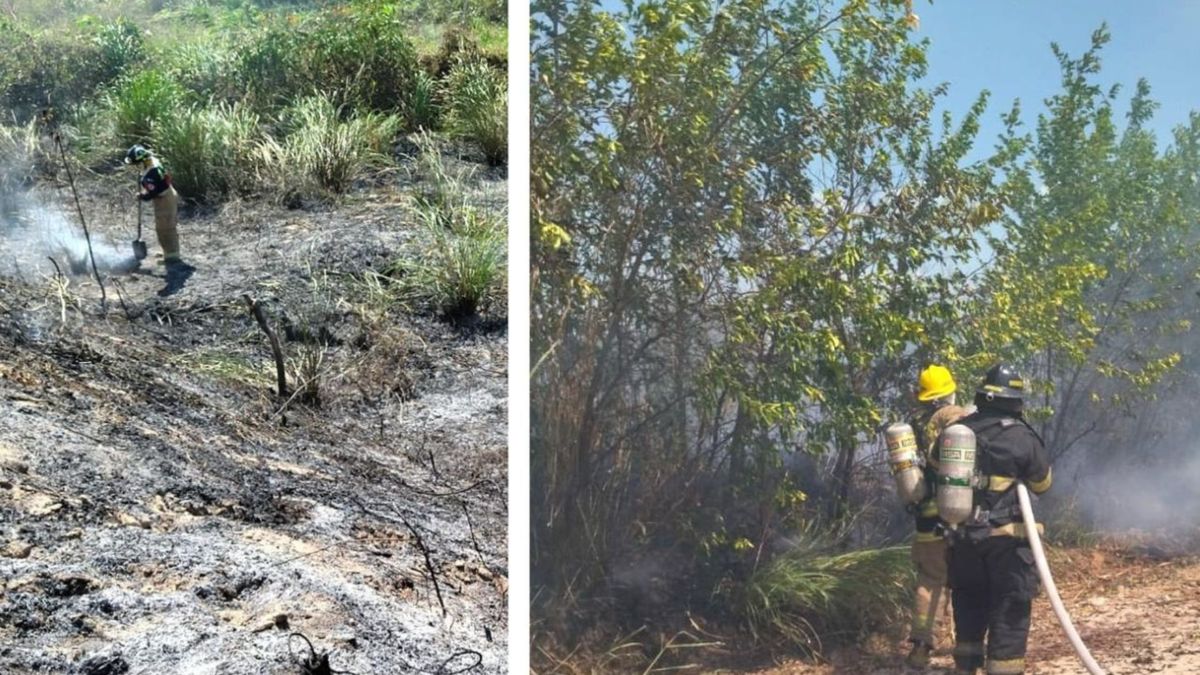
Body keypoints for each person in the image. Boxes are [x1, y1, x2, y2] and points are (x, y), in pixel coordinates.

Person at [945, 364, 1052, 675]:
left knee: (968, 605)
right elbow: (1043, 485)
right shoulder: (1021, 437)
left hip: (963, 539)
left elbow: (935, 469)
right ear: (1015, 401)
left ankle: (966, 668)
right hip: (1007, 543)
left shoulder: (957, 432)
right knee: (1010, 610)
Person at [905, 364, 968, 668]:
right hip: (957, 518)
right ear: (950, 391)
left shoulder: (914, 426)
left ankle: (920, 647)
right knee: (968, 583)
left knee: (930, 583)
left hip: (926, 522)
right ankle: (967, 652)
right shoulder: (952, 417)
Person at [125, 144, 187, 268]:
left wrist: (142, 196)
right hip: (166, 195)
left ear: (143, 161)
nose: (136, 167)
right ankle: (168, 253)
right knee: (162, 228)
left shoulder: (150, 175)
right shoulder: (152, 162)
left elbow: (154, 192)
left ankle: (172, 257)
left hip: (164, 199)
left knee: (166, 229)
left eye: (137, 164)